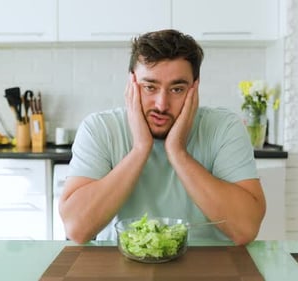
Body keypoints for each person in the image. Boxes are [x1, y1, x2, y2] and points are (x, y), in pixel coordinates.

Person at [59, 29, 266, 245]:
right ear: (131, 84)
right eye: (150, 87)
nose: (161, 104)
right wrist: (140, 148)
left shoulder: (224, 128)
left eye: (177, 89)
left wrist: (177, 152)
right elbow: (77, 229)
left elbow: (246, 229)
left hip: (208, 267)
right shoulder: (100, 128)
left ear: (194, 88)